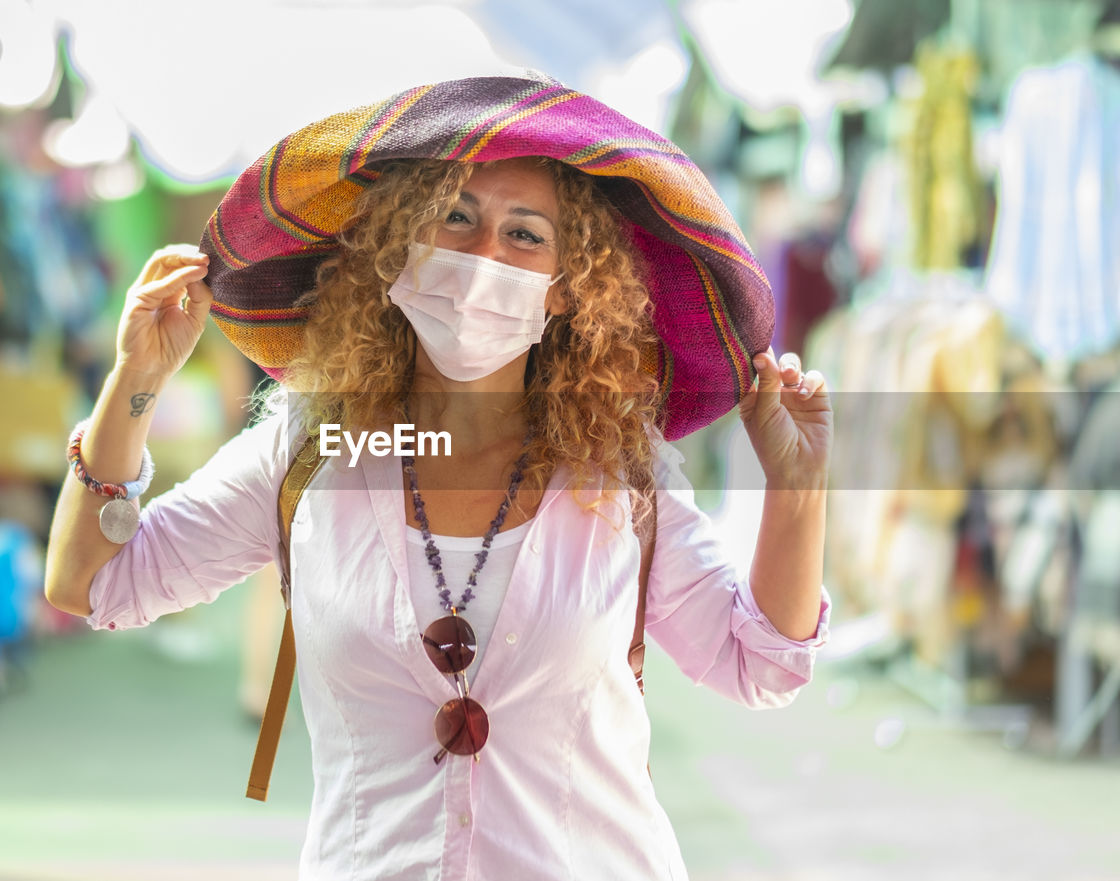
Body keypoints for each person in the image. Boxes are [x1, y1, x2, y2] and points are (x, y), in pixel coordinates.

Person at [45, 75, 832, 881]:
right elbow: (93, 581)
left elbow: (760, 662)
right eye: (456, 217)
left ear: (566, 288)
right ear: (400, 244)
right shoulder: (311, 449)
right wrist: (134, 381)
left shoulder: (620, 471)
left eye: (525, 235)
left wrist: (797, 489)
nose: (485, 253)